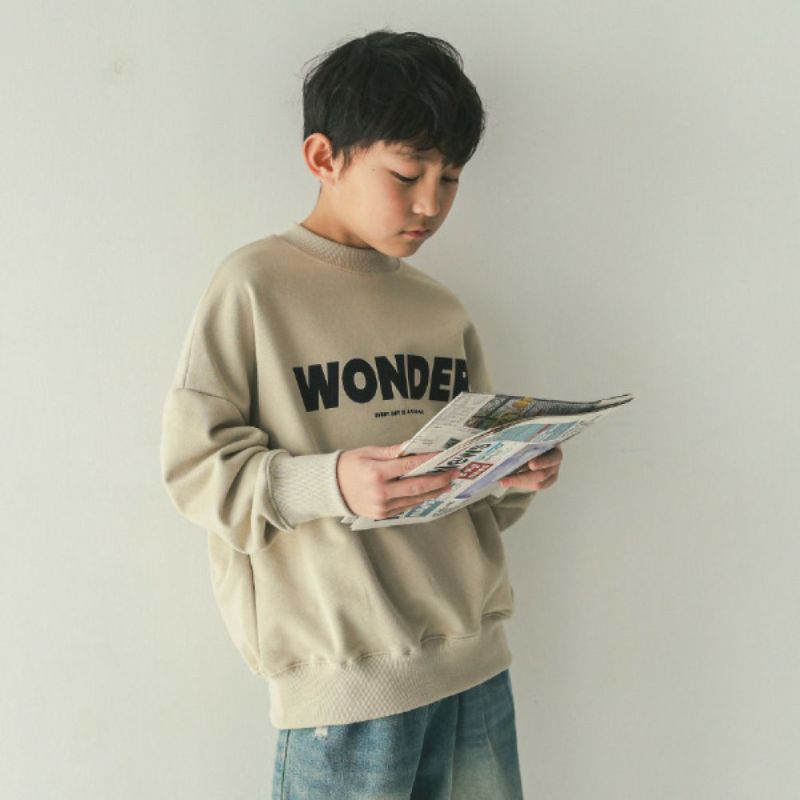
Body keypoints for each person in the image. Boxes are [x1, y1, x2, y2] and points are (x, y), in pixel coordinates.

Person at [160, 28, 563, 799]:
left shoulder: (441, 310)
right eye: (408, 173)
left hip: (475, 665)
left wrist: (509, 474)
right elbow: (195, 472)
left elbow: (467, 505)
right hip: (345, 687)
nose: (431, 204)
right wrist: (332, 483)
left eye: (450, 179)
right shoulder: (254, 287)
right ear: (324, 157)